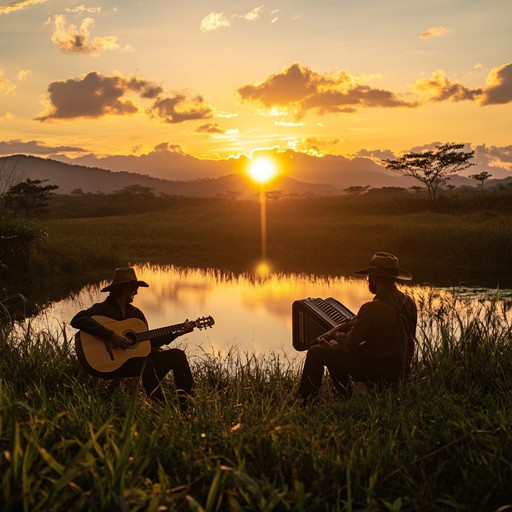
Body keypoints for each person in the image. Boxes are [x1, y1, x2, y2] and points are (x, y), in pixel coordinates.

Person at [298, 252, 417, 404]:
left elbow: (350, 344)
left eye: (368, 277)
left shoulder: (371, 308)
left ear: (375, 278)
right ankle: (346, 396)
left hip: (379, 369)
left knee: (316, 352)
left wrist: (336, 336)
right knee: (335, 351)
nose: (368, 281)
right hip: (400, 368)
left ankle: (306, 401)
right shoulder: (409, 303)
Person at [71, 266, 195, 406]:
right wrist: (112, 335)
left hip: (132, 360)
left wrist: (177, 333)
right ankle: (161, 407)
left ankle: (184, 405)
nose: (136, 292)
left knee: (176, 355)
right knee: (145, 364)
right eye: (134, 287)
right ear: (124, 289)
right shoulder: (103, 309)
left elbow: (148, 343)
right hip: (109, 364)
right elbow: (78, 319)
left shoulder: (136, 314)